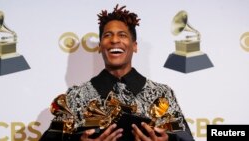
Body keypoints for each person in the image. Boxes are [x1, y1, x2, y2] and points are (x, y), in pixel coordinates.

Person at [39, 4, 195, 141]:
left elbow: (185, 138)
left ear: (134, 45)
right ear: (100, 46)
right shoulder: (75, 97)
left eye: (122, 35)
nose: (114, 40)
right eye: (107, 35)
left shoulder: (162, 95)